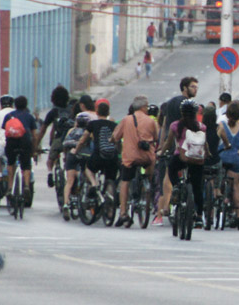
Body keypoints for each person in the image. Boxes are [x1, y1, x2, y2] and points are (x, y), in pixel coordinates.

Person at [159, 99, 209, 227]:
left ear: (181, 112)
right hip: (197, 160)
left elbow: (169, 142)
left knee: (171, 167)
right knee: (197, 187)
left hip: (181, 158)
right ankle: (198, 216)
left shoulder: (175, 125)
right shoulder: (201, 126)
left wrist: (161, 152)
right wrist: (207, 154)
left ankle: (176, 187)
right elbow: (205, 144)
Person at [112, 96, 158, 227]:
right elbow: (156, 137)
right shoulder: (150, 121)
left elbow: (116, 137)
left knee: (125, 181)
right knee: (149, 169)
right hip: (147, 157)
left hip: (130, 157)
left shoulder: (126, 120)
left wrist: (112, 140)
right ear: (143, 107)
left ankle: (123, 212)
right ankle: (147, 186)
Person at [75, 100, 119, 200]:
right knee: (110, 179)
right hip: (112, 157)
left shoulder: (93, 124)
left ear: (97, 112)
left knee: (89, 169)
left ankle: (94, 184)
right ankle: (110, 203)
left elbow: (83, 140)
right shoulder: (114, 125)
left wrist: (76, 150)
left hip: (98, 155)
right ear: (108, 113)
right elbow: (118, 142)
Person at [1, 96, 39, 204]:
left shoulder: (9, 116)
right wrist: (34, 149)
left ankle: (9, 188)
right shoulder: (29, 117)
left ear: (15, 105)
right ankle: (26, 186)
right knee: (26, 165)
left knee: (11, 162)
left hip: (12, 142)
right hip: (25, 141)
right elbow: (35, 135)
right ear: (26, 105)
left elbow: (5, 130)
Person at [35, 85, 73, 187]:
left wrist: (36, 145)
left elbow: (43, 130)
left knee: (50, 160)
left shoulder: (53, 112)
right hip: (72, 140)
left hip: (59, 139)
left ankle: (50, 174)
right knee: (69, 158)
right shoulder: (71, 110)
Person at [217, 104, 239, 229]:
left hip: (222, 156)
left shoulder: (222, 125)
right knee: (236, 187)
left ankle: (219, 202)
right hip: (236, 158)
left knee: (219, 181)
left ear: (227, 114)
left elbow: (217, 136)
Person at [60, 112, 91, 220]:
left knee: (69, 181)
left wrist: (65, 157)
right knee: (85, 176)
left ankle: (65, 204)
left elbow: (64, 146)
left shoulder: (71, 131)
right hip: (83, 156)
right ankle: (83, 194)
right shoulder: (88, 132)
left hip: (71, 156)